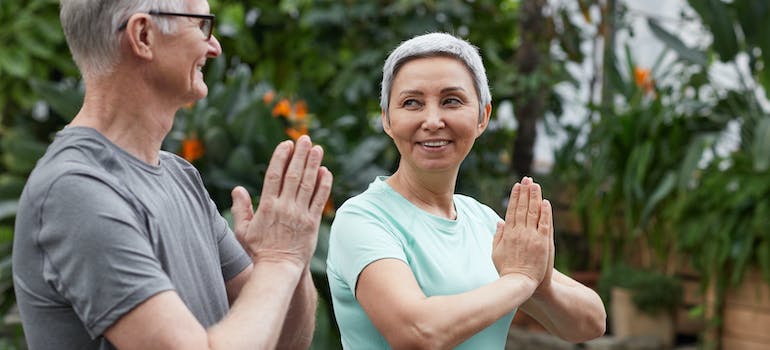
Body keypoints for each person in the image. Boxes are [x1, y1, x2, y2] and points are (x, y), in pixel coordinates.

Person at [12, 0, 333, 349]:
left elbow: (283, 342)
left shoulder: (181, 175)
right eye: (201, 26)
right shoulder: (74, 191)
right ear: (143, 35)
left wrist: (293, 257)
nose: (214, 47)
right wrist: (278, 260)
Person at [326, 32, 606, 349]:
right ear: (388, 120)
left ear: (482, 117)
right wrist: (519, 280)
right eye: (411, 103)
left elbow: (592, 322)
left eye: (452, 101)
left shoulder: (482, 221)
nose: (432, 120)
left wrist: (540, 287)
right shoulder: (362, 219)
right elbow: (417, 332)